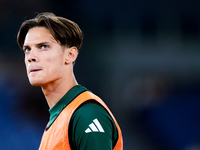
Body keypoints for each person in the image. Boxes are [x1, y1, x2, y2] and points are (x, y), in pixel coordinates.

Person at [17, 12, 123, 150]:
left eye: (43, 46)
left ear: (70, 55)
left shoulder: (86, 114)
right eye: (27, 49)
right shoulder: (60, 117)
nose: (31, 57)